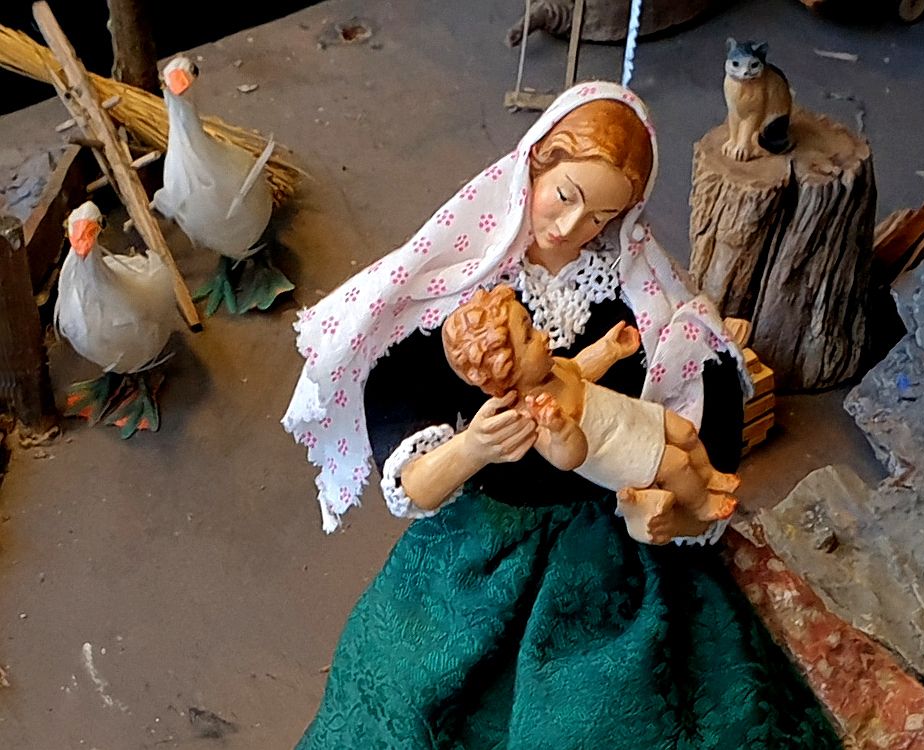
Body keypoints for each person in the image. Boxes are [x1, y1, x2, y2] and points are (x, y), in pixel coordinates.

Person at [283, 81, 841, 748]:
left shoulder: (641, 299)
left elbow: (703, 397)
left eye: (602, 215)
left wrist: (676, 513)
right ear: (533, 168)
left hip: (609, 540)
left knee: (613, 714)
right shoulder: (460, 301)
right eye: (565, 196)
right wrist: (474, 448)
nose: (573, 227)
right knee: (404, 690)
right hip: (483, 543)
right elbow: (413, 479)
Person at [442, 285, 741, 543]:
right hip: (615, 450)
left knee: (685, 431)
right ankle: (701, 503)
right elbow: (569, 459)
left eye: (533, 326)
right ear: (505, 367)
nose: (544, 336)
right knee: (677, 464)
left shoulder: (552, 368)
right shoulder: (533, 413)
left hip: (626, 414)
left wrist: (609, 350)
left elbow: (578, 367)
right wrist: (560, 429)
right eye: (529, 337)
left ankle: (708, 474)